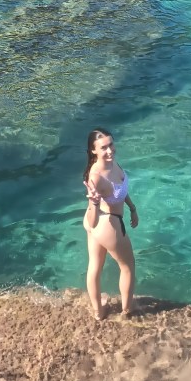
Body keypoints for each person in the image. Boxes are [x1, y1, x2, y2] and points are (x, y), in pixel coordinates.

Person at [82, 127, 139, 320]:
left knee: (95, 267)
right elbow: (93, 220)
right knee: (128, 266)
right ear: (93, 151)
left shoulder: (111, 163)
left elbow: (121, 190)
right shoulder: (96, 176)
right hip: (107, 223)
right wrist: (94, 202)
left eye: (111, 144)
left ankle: (98, 313)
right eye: (104, 147)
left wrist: (132, 208)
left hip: (102, 223)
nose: (110, 150)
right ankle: (127, 311)